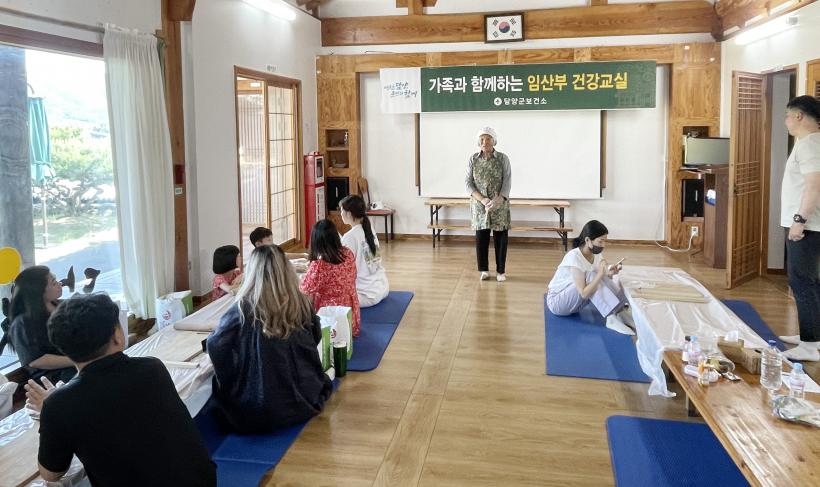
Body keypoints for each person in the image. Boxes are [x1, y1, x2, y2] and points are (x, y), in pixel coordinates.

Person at [31, 294, 216, 486]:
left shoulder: (59, 405)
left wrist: (49, 413)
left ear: (63, 349)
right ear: (117, 336)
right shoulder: (152, 368)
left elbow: (50, 474)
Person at [207, 245, 332, 433]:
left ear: (252, 273)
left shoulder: (243, 309)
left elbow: (216, 345)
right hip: (302, 395)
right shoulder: (300, 303)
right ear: (286, 270)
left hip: (256, 403)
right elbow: (315, 336)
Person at [777, 95, 820, 362]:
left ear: (799, 116)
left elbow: (813, 186)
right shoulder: (810, 143)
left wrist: (799, 220)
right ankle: (812, 337)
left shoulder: (810, 144)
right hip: (810, 224)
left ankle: (809, 345)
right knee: (810, 281)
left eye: (787, 116)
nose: (786, 122)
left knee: (802, 282)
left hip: (807, 225)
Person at [545, 220, 633, 335]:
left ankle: (620, 310)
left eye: (605, 241)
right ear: (588, 240)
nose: (603, 245)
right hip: (557, 302)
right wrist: (601, 273)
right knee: (592, 275)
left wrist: (610, 271)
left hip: (575, 303)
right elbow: (583, 293)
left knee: (600, 275)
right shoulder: (574, 257)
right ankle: (611, 318)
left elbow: (603, 267)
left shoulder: (596, 254)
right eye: (600, 241)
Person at [8, 266, 76, 384]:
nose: (60, 284)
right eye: (54, 283)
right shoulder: (22, 323)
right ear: (38, 291)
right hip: (55, 377)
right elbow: (37, 361)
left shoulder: (64, 305)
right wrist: (80, 360)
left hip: (79, 364)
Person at [300, 219, 361, 336]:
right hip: (350, 317)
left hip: (330, 321)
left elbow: (304, 289)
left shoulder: (320, 265)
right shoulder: (348, 253)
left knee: (303, 296)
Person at [466, 126, 511, 282]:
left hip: (499, 204)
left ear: (494, 141)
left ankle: (500, 271)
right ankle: (484, 270)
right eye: (482, 139)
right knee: (481, 238)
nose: (485, 142)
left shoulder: (503, 158)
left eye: (488, 139)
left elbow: (507, 182)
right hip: (480, 205)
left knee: (501, 238)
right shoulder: (473, 159)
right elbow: (468, 183)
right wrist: (483, 199)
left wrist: (498, 200)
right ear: (479, 142)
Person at [339, 194, 390, 307]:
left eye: (341, 210)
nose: (340, 214)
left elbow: (342, 267)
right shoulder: (369, 227)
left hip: (366, 295)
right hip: (382, 288)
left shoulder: (350, 236)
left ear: (349, 213)